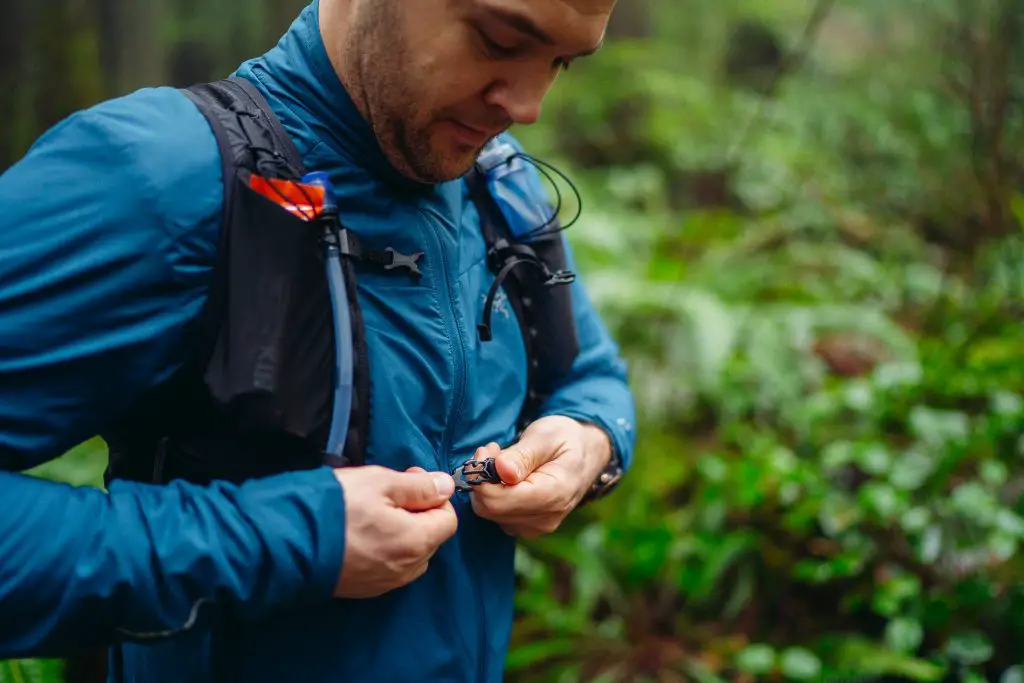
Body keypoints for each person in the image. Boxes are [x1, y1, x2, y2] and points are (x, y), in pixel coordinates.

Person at [0, 0, 636, 680]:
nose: (528, 104)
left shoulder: (497, 187)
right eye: (498, 39)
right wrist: (293, 539)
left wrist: (588, 438)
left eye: (560, 63)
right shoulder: (155, 177)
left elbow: (589, 373)